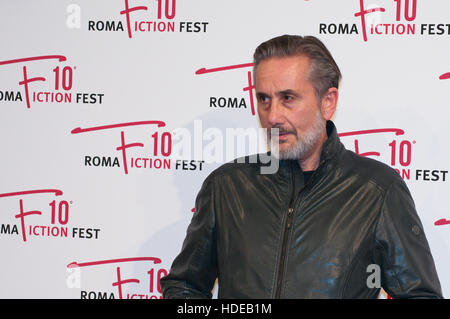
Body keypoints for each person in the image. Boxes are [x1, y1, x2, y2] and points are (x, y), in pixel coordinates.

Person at [160, 35, 443, 298]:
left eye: (288, 98)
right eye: (264, 99)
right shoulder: (226, 187)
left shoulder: (377, 190)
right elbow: (184, 286)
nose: (273, 116)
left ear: (328, 102)